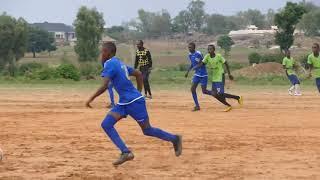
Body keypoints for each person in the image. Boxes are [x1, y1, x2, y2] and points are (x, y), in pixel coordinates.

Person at [86, 42, 182, 166]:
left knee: (147, 130)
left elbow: (105, 85)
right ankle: (125, 152)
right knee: (106, 124)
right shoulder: (119, 63)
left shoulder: (110, 64)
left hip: (133, 102)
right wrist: (138, 91)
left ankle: (175, 138)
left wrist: (91, 99)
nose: (101, 54)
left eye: (103, 52)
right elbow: (137, 73)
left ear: (109, 53)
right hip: (124, 102)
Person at [193, 44, 243, 112]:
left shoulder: (218, 56)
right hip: (214, 77)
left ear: (214, 50)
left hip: (220, 76)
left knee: (220, 93)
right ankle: (228, 105)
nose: (209, 50)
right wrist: (197, 66)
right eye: (208, 49)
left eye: (210, 49)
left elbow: (226, 63)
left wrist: (229, 74)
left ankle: (238, 98)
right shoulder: (207, 56)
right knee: (214, 94)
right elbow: (202, 63)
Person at [185, 42, 210, 111]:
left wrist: (196, 67)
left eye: (190, 47)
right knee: (192, 89)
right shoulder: (190, 55)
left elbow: (203, 63)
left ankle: (216, 94)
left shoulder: (199, 54)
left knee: (204, 91)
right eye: (188, 47)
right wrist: (187, 71)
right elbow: (192, 64)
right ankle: (197, 106)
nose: (189, 49)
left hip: (203, 74)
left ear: (194, 47)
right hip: (197, 75)